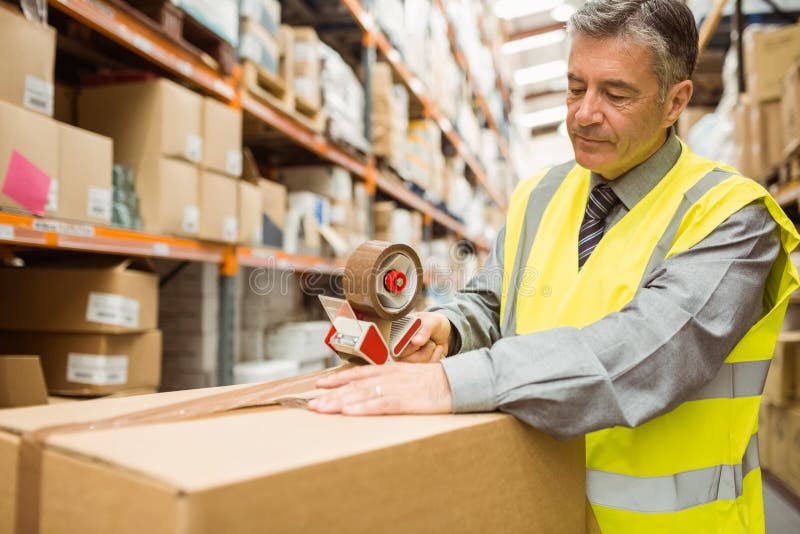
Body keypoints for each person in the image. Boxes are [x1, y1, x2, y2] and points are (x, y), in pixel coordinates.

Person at [308, 1, 799, 531]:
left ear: (675, 101)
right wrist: (449, 330)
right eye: (574, 86)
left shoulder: (731, 216)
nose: (584, 113)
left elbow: (649, 352)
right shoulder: (538, 196)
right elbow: (492, 301)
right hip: (539, 510)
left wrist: (454, 383)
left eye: (615, 94)